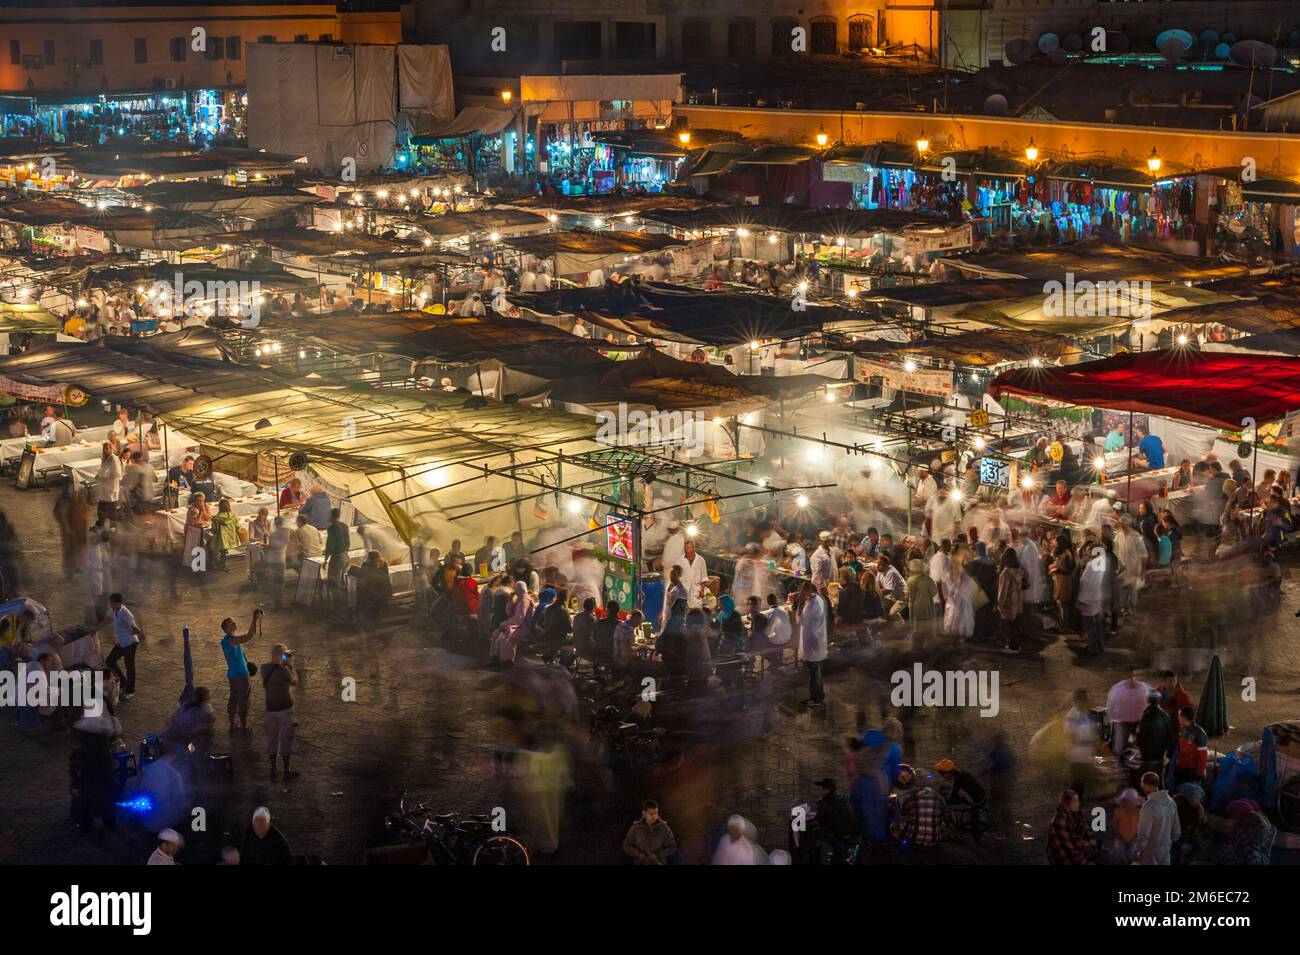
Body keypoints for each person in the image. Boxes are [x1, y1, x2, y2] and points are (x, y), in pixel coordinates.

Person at [261, 643, 298, 779]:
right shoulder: (284, 671)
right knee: (286, 739)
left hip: (270, 710)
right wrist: (290, 665)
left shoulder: (264, 668)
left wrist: (283, 662)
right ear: (281, 656)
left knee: (272, 740)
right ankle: (286, 770)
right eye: (286, 655)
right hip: (285, 710)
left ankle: (273, 769)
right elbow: (294, 682)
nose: (288, 657)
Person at [220, 610, 262, 733]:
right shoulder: (232, 641)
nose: (234, 624)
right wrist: (254, 619)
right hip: (241, 676)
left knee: (233, 698)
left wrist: (247, 662)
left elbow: (240, 655)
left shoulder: (227, 640)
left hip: (233, 675)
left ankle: (233, 725)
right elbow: (249, 636)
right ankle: (244, 727)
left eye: (234, 622)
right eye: (231, 624)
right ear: (226, 629)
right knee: (244, 700)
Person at [96, 593, 141, 700]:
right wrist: (95, 630)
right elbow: (107, 619)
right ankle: (123, 681)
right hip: (121, 643)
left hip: (130, 643)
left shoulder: (126, 614)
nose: (110, 604)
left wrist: (132, 629)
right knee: (110, 661)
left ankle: (130, 691)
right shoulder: (114, 610)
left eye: (111, 602)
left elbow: (136, 630)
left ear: (118, 603)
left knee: (129, 667)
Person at [1132, 771, 1179, 865]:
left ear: (1146, 784)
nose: (1142, 786)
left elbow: (1143, 833)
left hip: (1151, 850)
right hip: (1166, 846)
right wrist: (1172, 839)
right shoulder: (1171, 801)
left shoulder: (1149, 806)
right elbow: (1176, 826)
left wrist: (1137, 850)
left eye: (1142, 783)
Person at [796, 581, 828, 706]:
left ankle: (816, 699)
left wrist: (799, 606)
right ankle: (817, 696)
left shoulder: (812, 605)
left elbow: (801, 621)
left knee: (815, 671)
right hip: (816, 639)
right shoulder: (817, 599)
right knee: (815, 670)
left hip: (813, 640)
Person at [1046, 789, 1095, 865]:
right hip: (1062, 856)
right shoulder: (1060, 821)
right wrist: (1089, 843)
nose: (1078, 803)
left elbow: (1085, 826)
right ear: (1067, 803)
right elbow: (1069, 848)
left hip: (1077, 849)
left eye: (1078, 800)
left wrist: (1090, 840)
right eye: (1075, 801)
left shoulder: (1076, 814)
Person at [623, 799, 677, 865]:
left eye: (656, 813)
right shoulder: (635, 829)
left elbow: (672, 846)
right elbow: (626, 846)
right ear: (644, 813)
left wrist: (657, 855)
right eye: (651, 814)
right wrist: (639, 855)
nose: (654, 816)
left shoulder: (664, 829)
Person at [1135, 692, 1175, 779]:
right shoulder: (1165, 716)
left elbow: (1138, 736)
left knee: (1146, 778)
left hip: (1146, 756)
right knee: (1158, 779)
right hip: (1159, 755)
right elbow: (1170, 737)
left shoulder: (1144, 717)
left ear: (1148, 701)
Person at [996, 546, 1027, 652]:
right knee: (1016, 625)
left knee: (1010, 627)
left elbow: (1003, 591)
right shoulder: (1020, 569)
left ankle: (1012, 647)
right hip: (1018, 600)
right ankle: (1017, 646)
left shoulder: (1005, 573)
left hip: (1009, 603)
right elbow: (1027, 577)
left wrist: (1000, 605)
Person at [905, 557, 939, 651]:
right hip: (926, 609)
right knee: (929, 632)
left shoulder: (910, 580)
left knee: (917, 633)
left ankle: (917, 660)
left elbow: (906, 594)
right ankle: (929, 658)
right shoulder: (927, 579)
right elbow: (934, 592)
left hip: (915, 610)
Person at [349, 549, 393, 620]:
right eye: (372, 560)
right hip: (370, 588)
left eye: (375, 560)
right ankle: (367, 613)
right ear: (369, 559)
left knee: (375, 594)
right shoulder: (366, 565)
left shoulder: (383, 564)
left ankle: (375, 613)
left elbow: (385, 578)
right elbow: (362, 577)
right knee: (363, 590)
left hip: (382, 589)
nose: (374, 562)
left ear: (378, 559)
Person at [1174, 705, 1208, 786]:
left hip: (1191, 771)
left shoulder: (1200, 733)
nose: (1178, 718)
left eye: (1179, 716)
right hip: (1181, 767)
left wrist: (1199, 774)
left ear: (1183, 718)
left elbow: (1202, 756)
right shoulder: (1182, 729)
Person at [324, 509, 351, 611]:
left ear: (331, 516)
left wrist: (325, 560)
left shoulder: (332, 528)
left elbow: (330, 545)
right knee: (343, 581)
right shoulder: (345, 526)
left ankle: (338, 606)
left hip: (337, 557)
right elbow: (348, 542)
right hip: (345, 555)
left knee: (334, 581)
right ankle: (346, 603)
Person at [674, 539, 709, 609]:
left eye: (692, 547)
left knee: (696, 614)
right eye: (688, 548)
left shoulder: (701, 560)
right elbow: (675, 578)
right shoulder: (679, 561)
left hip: (696, 594)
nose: (690, 550)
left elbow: (704, 578)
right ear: (684, 549)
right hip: (683, 594)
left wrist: (702, 590)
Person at [210, 498, 241, 570]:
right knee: (224, 551)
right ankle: (223, 564)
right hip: (230, 538)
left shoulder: (216, 518)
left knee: (212, 546)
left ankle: (216, 562)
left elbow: (214, 530)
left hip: (220, 538)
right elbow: (238, 526)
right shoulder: (233, 516)